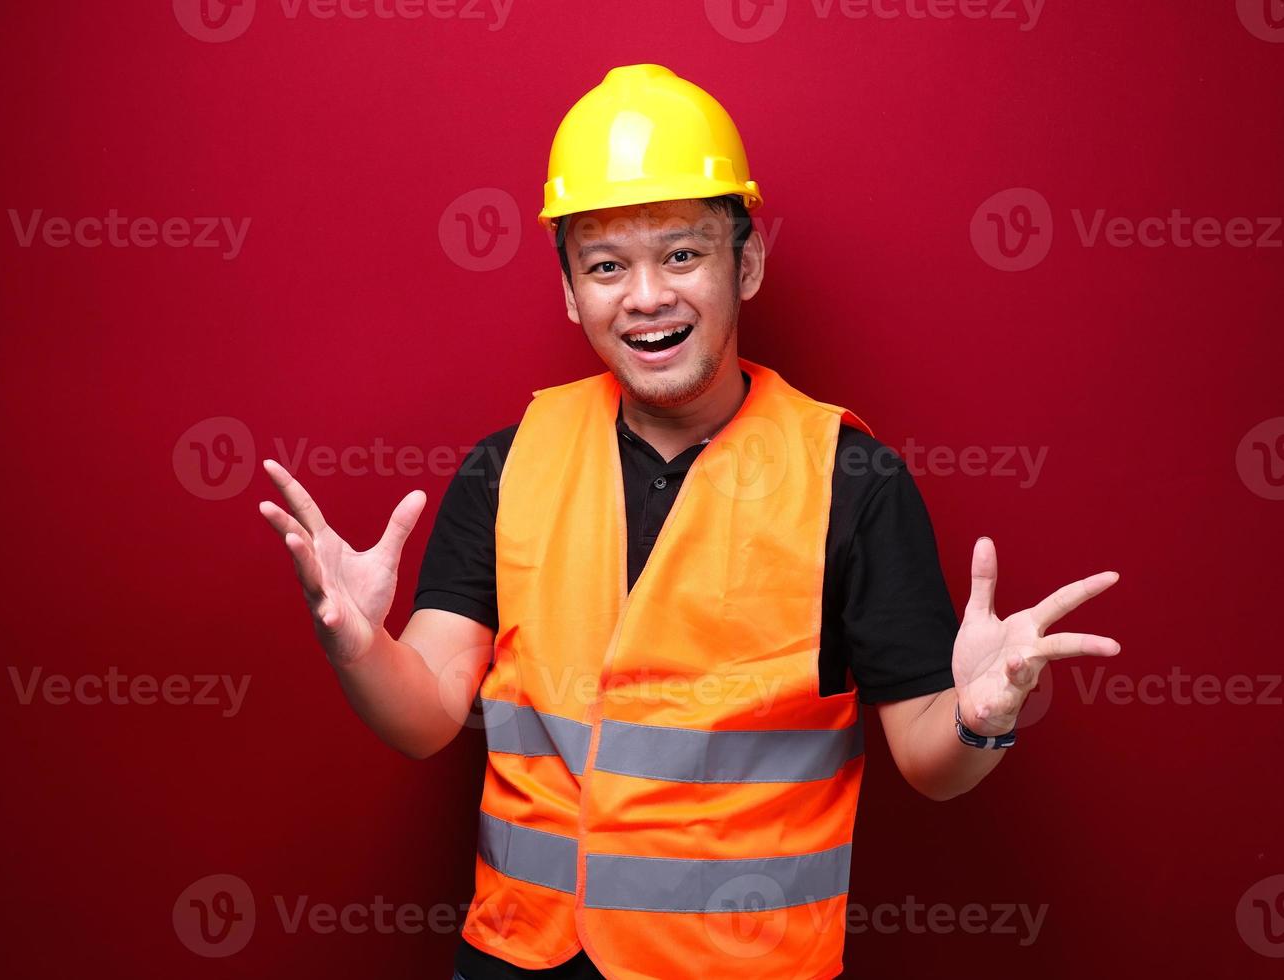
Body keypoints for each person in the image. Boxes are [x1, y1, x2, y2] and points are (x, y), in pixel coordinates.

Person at [258, 64, 1122, 980]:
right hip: (520, 959)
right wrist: (358, 649)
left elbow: (928, 757)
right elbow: (428, 711)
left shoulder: (852, 482)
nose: (645, 296)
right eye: (605, 266)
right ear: (568, 292)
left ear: (744, 263)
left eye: (681, 254)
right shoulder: (507, 465)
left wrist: (980, 719)